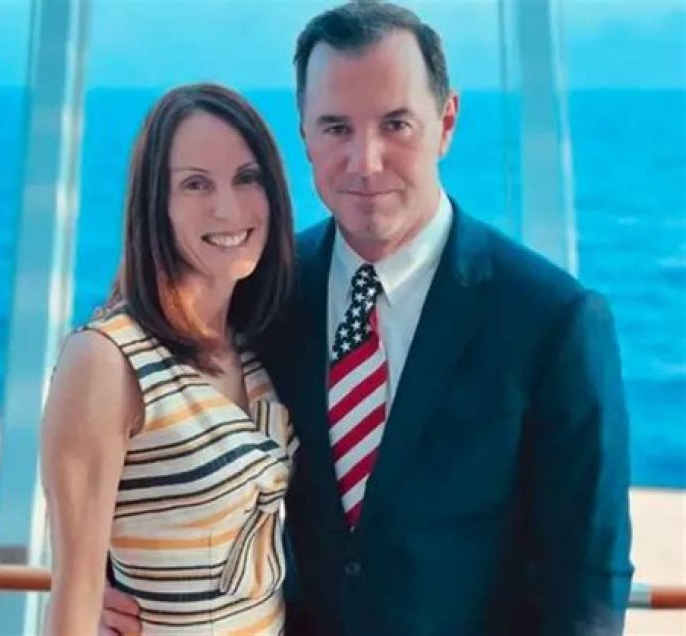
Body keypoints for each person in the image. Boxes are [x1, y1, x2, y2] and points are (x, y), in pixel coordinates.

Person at [101, 3, 633, 635]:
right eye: (336, 128)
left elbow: (587, 577)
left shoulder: (554, 321)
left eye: (395, 124)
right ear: (304, 136)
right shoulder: (258, 291)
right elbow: (147, 431)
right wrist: (109, 581)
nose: (365, 161)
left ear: (446, 123)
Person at [40, 83, 297, 635]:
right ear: (157, 203)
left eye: (246, 178)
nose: (228, 208)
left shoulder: (252, 348)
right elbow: (75, 599)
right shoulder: (106, 361)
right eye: (195, 184)